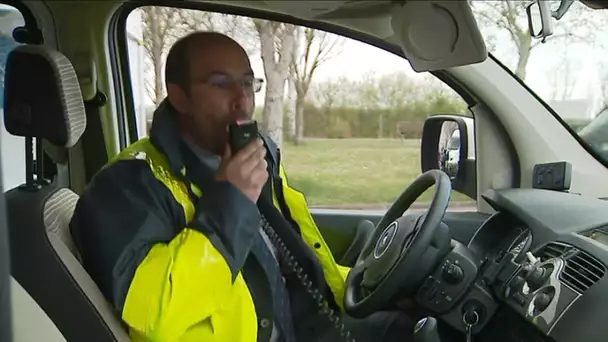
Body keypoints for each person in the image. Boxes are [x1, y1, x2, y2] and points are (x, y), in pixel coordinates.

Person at [70, 31, 415, 342]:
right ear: (179, 97)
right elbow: (159, 316)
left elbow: (292, 260)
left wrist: (373, 284)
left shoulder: (252, 154)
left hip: (307, 324)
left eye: (248, 84)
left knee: (409, 326)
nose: (242, 100)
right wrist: (230, 202)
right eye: (221, 84)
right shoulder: (127, 187)